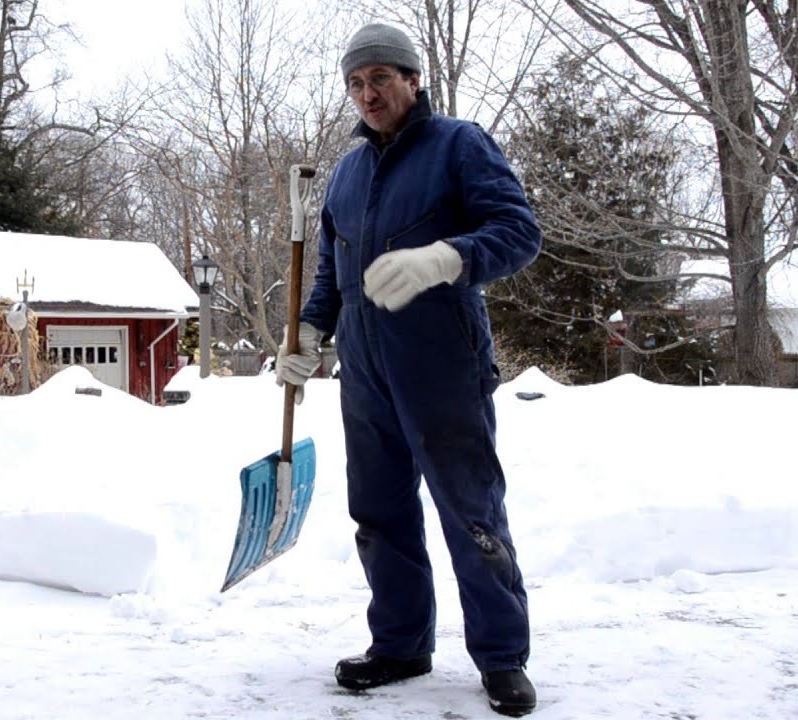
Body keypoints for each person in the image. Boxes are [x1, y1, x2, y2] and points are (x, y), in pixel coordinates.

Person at [276, 23, 541, 717]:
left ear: (412, 80)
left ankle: (502, 656)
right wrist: (308, 329)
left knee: (470, 510)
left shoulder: (459, 145)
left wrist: (446, 259)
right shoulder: (347, 173)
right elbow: (332, 269)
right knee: (380, 512)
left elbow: (518, 232)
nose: (368, 94)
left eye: (381, 80)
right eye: (356, 84)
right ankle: (400, 644)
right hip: (364, 371)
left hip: (442, 364)